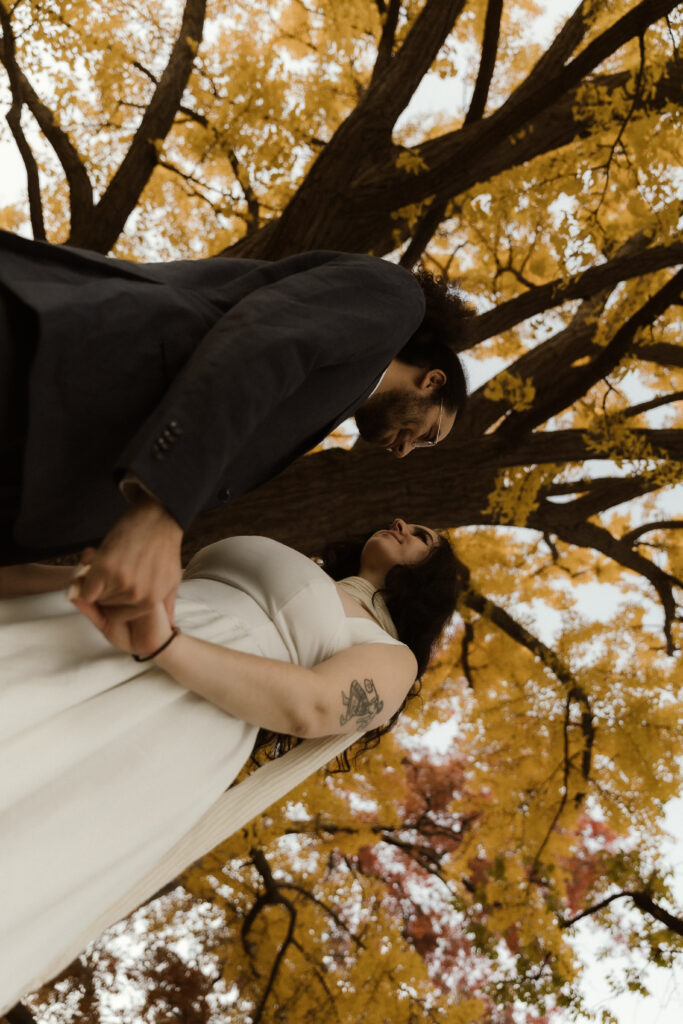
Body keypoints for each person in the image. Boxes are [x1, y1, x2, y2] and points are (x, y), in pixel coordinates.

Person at [0, 517, 460, 1014]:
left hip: (171, 709)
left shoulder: (393, 657)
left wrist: (165, 644)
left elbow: (314, 705)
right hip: (95, 630)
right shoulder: (305, 567)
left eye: (422, 536)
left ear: (431, 581)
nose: (400, 524)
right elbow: (116, 583)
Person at [0, 229, 469, 620]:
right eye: (427, 435)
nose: (404, 451)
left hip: (42, 476)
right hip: (49, 367)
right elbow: (265, 340)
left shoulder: (328, 402)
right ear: (431, 381)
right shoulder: (397, 300)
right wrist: (163, 508)